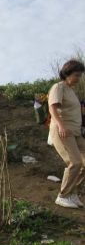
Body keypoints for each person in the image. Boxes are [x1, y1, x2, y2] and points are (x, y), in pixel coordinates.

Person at [48, 59, 85, 209]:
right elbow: (53, 108)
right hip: (63, 131)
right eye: (76, 75)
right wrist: (61, 126)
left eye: (80, 75)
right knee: (75, 162)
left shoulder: (72, 91)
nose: (79, 78)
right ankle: (63, 196)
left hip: (76, 133)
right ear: (67, 73)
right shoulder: (58, 87)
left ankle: (72, 193)